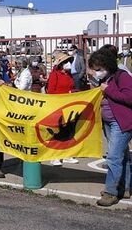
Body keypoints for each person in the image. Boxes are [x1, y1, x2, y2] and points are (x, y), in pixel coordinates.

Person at [89, 49, 132, 206]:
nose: (97, 72)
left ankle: (110, 193)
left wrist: (108, 90)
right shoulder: (107, 78)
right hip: (110, 122)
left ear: (107, 65)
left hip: (120, 123)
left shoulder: (123, 77)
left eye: (98, 69)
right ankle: (125, 187)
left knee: (113, 157)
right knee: (123, 156)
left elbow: (129, 97)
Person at [46, 52, 79, 166]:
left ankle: (66, 154)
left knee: (69, 131)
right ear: (60, 64)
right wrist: (67, 93)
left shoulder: (69, 75)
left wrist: (74, 92)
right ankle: (55, 156)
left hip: (69, 107)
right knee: (58, 131)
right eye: (65, 62)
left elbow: (73, 87)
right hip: (58, 107)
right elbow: (51, 92)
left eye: (69, 61)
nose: (68, 64)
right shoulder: (54, 75)